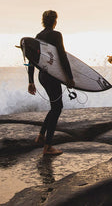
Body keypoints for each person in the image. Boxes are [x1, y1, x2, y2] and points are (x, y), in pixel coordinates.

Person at [27, 10, 75, 155]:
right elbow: (62, 56)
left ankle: (41, 136)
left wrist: (30, 81)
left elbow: (31, 61)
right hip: (52, 76)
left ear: (43, 21)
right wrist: (69, 77)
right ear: (55, 21)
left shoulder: (38, 36)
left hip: (42, 76)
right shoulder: (56, 35)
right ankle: (48, 147)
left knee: (54, 107)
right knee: (57, 108)